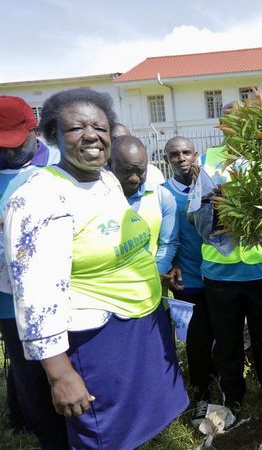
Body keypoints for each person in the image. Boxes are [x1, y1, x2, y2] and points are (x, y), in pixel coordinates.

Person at [2, 88, 188, 448]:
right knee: (102, 435)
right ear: (53, 134)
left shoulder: (105, 180)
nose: (91, 135)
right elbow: (34, 293)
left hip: (138, 323)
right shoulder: (38, 198)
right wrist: (59, 375)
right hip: (94, 337)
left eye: (99, 127)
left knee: (134, 431)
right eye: (76, 128)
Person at [196, 139, 262, 412]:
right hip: (221, 272)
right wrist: (219, 205)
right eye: (228, 120)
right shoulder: (206, 162)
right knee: (226, 340)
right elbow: (194, 216)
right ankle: (232, 398)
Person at [0, 96, 67, 448]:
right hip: (8, 304)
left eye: (15, 143)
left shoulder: (60, 165)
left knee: (66, 373)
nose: (9, 152)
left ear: (34, 130)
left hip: (62, 295)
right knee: (29, 379)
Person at [162, 136, 216, 424]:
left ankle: (226, 388)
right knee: (197, 341)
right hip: (189, 281)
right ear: (167, 159)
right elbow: (162, 238)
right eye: (174, 154)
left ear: (197, 155)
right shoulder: (163, 194)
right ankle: (202, 394)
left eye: (186, 152)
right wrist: (170, 267)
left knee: (224, 336)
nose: (181, 158)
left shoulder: (212, 186)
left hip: (221, 277)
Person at [109, 135, 179, 282]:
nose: (134, 178)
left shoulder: (162, 197)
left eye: (141, 171)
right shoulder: (97, 198)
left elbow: (168, 243)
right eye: (127, 171)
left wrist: (155, 274)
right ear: (109, 165)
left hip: (151, 284)